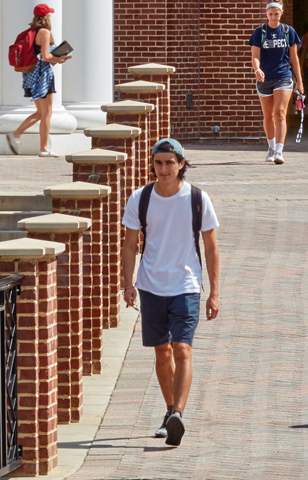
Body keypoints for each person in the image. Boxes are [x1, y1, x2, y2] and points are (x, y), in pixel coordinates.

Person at [119, 139, 221, 448]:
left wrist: (214, 292)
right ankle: (169, 413)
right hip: (150, 285)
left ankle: (178, 412)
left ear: (181, 164)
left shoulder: (197, 199)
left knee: (182, 349)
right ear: (153, 164)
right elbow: (129, 245)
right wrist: (128, 283)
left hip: (186, 285)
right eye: (158, 163)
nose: (163, 169)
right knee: (162, 352)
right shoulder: (141, 198)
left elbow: (211, 248)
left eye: (169, 163)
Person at [8, 4, 71, 156]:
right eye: (50, 15)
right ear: (46, 17)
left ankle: (15, 134)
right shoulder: (44, 32)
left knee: (40, 113)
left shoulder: (31, 31)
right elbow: (45, 57)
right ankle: (43, 149)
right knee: (47, 113)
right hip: (42, 74)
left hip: (32, 74)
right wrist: (60, 58)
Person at [248, 0, 304, 164]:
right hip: (265, 78)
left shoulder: (288, 31)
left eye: (276, 14)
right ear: (266, 14)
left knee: (280, 113)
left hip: (283, 76)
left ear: (281, 13)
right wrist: (257, 69)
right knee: (268, 115)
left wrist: (300, 82)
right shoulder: (260, 32)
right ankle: (271, 147)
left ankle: (279, 150)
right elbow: (255, 55)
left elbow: (294, 58)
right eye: (270, 14)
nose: (273, 17)